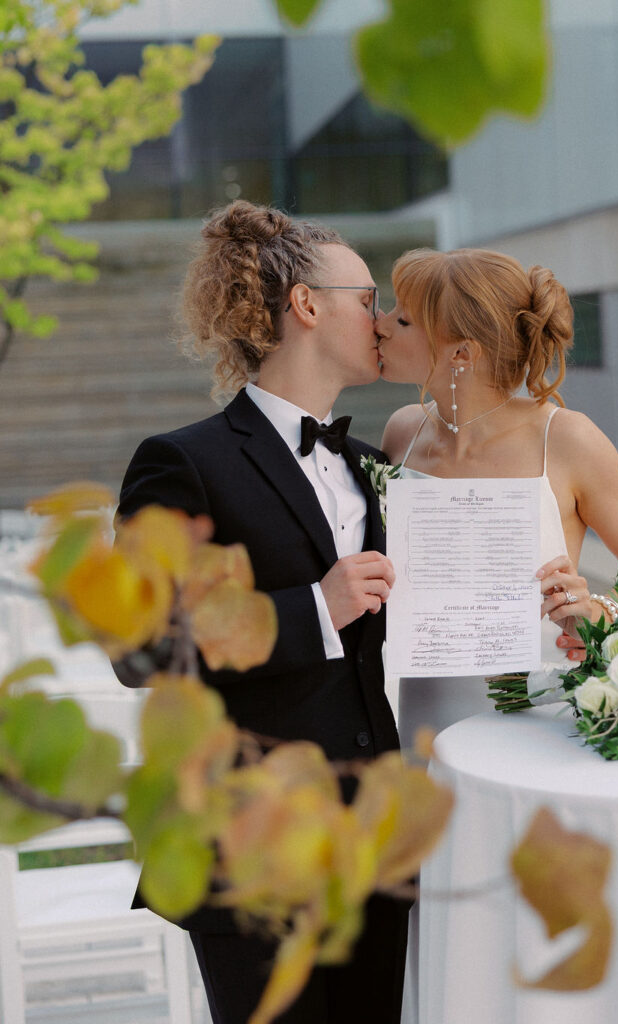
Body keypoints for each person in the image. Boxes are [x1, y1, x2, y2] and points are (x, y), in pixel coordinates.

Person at [116, 200, 409, 1024]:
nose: (381, 318)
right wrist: (312, 610)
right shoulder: (183, 463)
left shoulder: (371, 462)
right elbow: (140, 650)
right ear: (306, 305)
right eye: (367, 297)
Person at [374, 246, 618, 1024]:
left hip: (533, 723)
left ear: (460, 353)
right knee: (436, 920)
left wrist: (603, 613)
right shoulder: (401, 432)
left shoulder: (566, 440)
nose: (379, 327)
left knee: (519, 922)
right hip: (422, 728)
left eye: (402, 320)